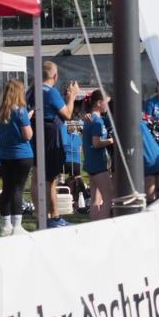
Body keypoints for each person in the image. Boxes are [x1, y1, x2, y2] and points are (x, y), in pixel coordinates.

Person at [27, 61, 78, 228]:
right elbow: (68, 114)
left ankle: (40, 215)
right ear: (55, 76)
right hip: (50, 137)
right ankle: (54, 217)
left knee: (37, 176)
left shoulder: (31, 90)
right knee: (49, 179)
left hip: (36, 135)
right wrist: (72, 97)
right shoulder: (51, 92)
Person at [0, 79, 34, 235]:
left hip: (5, 154)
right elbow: (27, 135)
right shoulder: (20, 111)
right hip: (22, 154)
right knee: (17, 189)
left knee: (7, 189)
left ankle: (5, 224)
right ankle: (17, 226)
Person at [83, 90, 113, 220]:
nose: (107, 106)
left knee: (96, 199)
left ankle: (93, 227)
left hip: (91, 163)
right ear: (99, 103)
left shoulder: (93, 119)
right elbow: (96, 143)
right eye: (106, 103)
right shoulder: (97, 121)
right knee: (108, 198)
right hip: (98, 164)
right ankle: (102, 227)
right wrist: (112, 141)